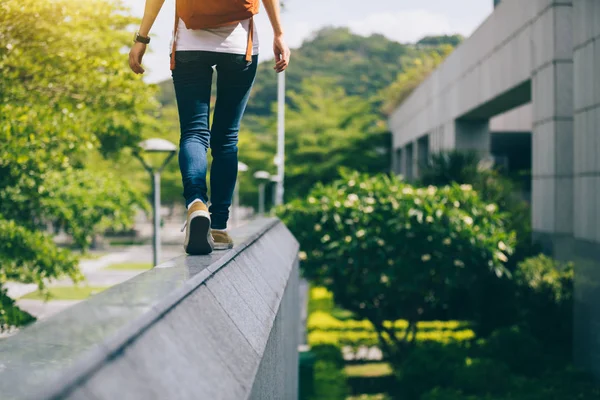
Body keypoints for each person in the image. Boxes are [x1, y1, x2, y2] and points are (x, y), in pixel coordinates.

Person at [129, 0, 290, 255]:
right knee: (226, 139)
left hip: (189, 45)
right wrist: (279, 33)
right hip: (239, 45)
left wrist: (142, 38)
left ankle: (196, 202)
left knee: (194, 132)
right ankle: (217, 226)